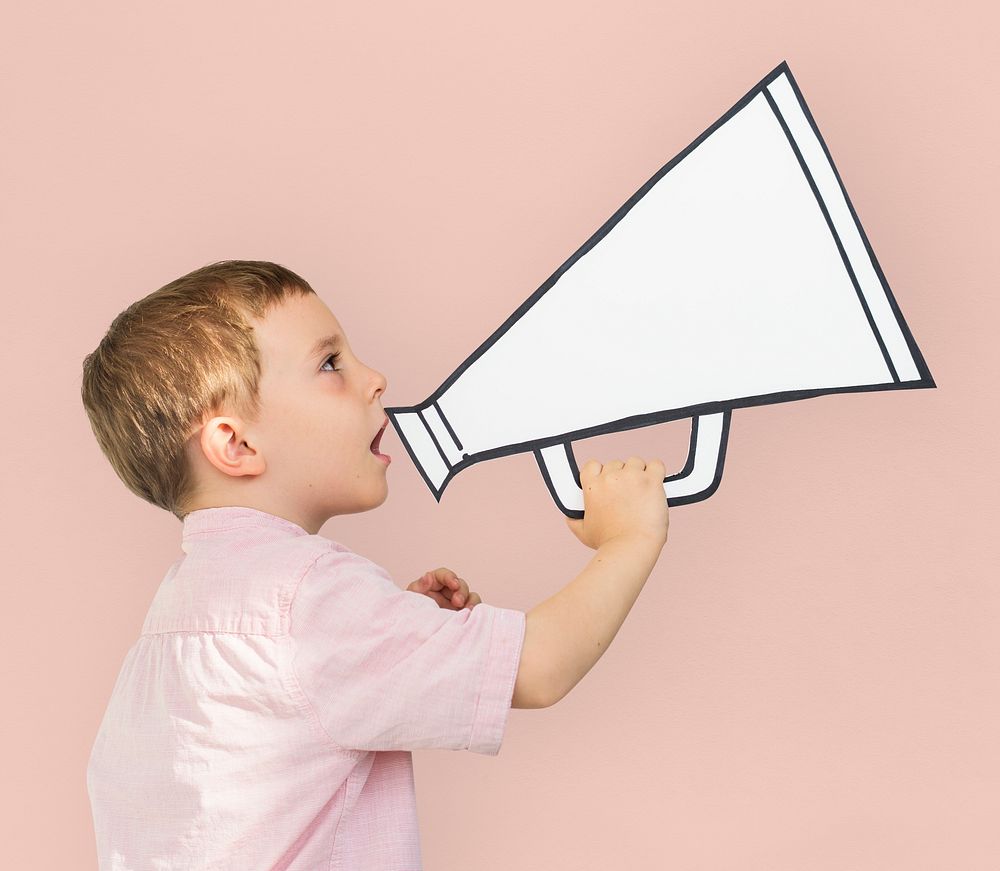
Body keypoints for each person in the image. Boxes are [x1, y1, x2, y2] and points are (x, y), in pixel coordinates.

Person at [81, 260, 670, 870]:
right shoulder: (310, 597)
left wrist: (400, 628)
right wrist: (629, 538)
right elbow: (539, 669)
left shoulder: (173, 620)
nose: (376, 379)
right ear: (238, 446)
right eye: (330, 364)